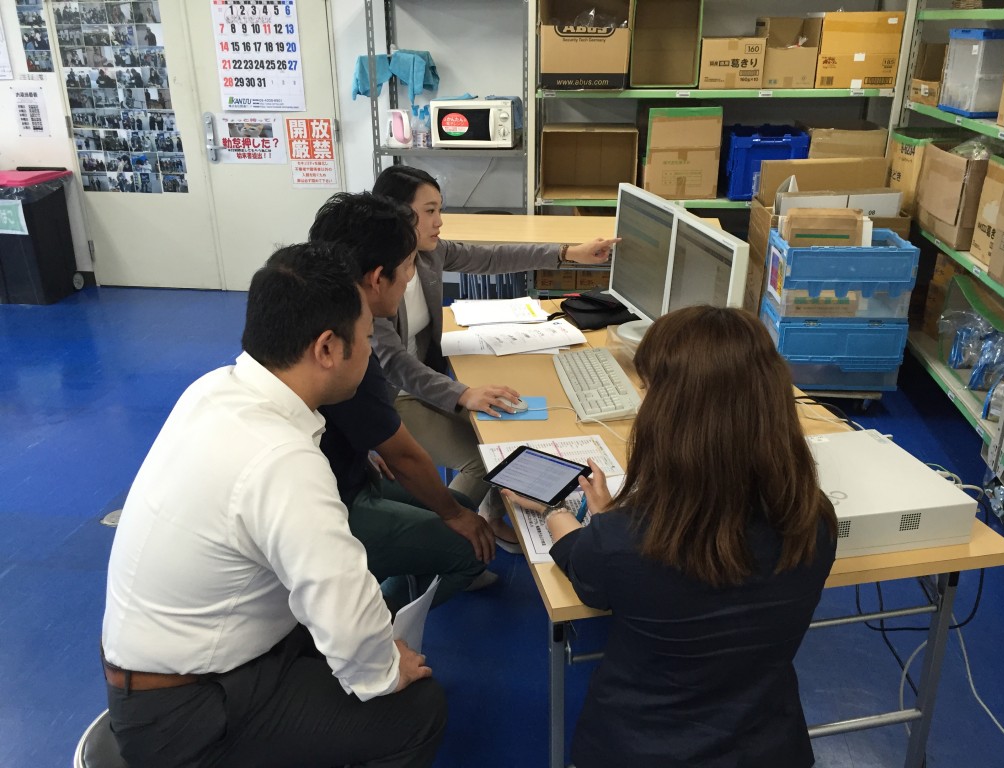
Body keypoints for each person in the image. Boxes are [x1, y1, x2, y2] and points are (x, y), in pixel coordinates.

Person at [101, 242, 445, 768]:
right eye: (365, 338)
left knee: (351, 643)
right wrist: (384, 669)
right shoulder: (282, 459)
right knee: (417, 709)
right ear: (327, 348)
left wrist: (368, 649)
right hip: (185, 716)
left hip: (166, 673)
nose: (370, 350)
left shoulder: (215, 389)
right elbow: (343, 606)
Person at [504, 306, 838, 768]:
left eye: (647, 390)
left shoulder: (626, 539)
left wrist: (554, 509)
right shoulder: (813, 519)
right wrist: (610, 520)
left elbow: (583, 566)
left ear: (671, 416)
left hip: (641, 750)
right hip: (767, 747)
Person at [371, 165, 618, 551]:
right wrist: (462, 393)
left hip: (427, 381)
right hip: (394, 397)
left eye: (440, 209)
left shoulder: (427, 254)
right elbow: (395, 365)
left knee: (511, 427)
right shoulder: (376, 279)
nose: (440, 221)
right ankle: (449, 545)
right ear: (398, 215)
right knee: (482, 458)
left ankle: (488, 514)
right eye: (430, 211)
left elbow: (491, 257)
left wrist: (568, 253)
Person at [309, 191, 495, 609]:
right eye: (409, 266)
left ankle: (408, 569)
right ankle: (382, 625)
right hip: (331, 506)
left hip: (346, 473)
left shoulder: (318, 311)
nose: (412, 277)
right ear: (378, 278)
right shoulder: (350, 351)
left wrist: (362, 448)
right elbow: (406, 457)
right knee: (469, 541)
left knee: (462, 503)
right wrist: (454, 517)